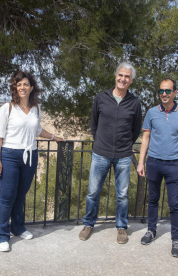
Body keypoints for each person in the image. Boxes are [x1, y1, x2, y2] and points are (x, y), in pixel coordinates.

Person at [0, 71, 65, 252]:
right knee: (7, 196)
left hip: (30, 155)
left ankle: (17, 228)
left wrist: (54, 137)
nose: (22, 87)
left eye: (25, 84)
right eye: (19, 84)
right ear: (15, 88)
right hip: (9, 155)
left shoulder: (36, 109)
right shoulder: (7, 108)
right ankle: (1, 235)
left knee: (20, 195)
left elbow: (37, 130)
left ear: (31, 87)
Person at [79, 62, 142, 244]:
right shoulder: (101, 98)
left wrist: (126, 145)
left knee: (122, 195)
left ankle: (121, 227)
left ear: (131, 80)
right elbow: (94, 124)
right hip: (100, 153)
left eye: (127, 77)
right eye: (120, 75)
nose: (123, 79)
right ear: (116, 76)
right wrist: (100, 142)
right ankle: (89, 224)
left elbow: (136, 128)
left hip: (124, 156)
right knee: (92, 192)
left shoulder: (134, 103)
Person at [137, 78, 178, 258]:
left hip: (173, 164)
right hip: (153, 162)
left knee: (174, 204)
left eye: (168, 91)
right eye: (161, 91)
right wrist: (141, 161)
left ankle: (176, 239)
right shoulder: (151, 112)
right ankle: (151, 231)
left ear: (175, 93)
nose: (164, 94)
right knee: (153, 199)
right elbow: (145, 138)